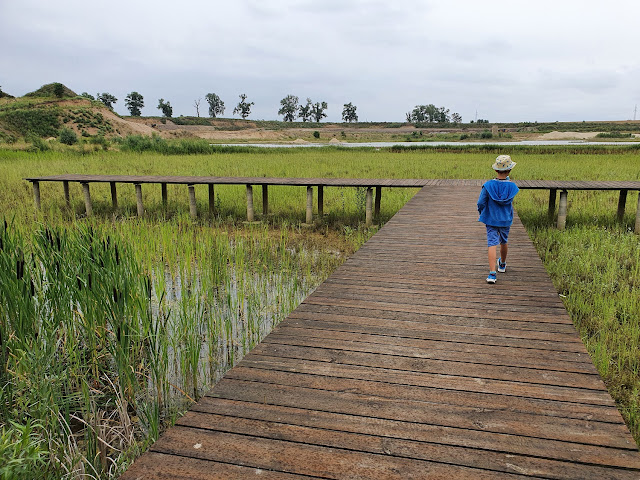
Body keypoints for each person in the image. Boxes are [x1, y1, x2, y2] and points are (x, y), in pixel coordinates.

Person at [477, 155, 519, 284]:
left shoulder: (488, 185)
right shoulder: (512, 187)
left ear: (496, 170)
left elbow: (480, 203)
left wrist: (482, 212)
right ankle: (502, 264)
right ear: (510, 170)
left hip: (491, 219)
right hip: (505, 219)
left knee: (492, 243)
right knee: (504, 241)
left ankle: (492, 274)